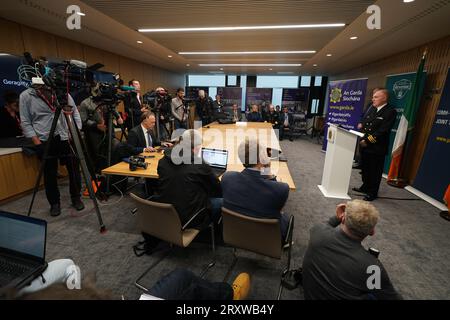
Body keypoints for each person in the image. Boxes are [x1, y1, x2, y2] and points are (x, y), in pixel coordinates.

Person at [302, 200, 402, 300]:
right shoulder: (372, 267)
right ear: (372, 232)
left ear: (343, 219)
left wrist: (339, 216)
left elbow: (328, 223)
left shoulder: (318, 231)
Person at [20, 84, 84, 217]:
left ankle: (76, 197)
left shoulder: (62, 92)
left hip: (66, 136)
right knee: (49, 174)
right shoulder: (26, 96)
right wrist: (37, 143)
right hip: (44, 139)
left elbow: (75, 113)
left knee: (74, 170)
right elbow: (25, 122)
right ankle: (54, 203)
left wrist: (75, 132)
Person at [221, 137, 291, 240]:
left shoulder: (227, 177)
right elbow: (278, 208)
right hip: (266, 238)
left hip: (237, 234)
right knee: (285, 217)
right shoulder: (282, 189)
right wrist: (267, 170)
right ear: (262, 158)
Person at [157, 129, 223, 229]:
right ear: (194, 148)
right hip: (190, 218)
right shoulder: (199, 164)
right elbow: (217, 190)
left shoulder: (163, 160)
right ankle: (217, 231)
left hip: (166, 212)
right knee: (224, 200)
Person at [353, 89, 397, 201]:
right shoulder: (372, 108)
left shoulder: (390, 111)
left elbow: (383, 131)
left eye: (376, 97)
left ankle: (372, 192)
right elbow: (364, 123)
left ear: (384, 98)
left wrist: (367, 141)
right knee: (366, 168)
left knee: (375, 171)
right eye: (373, 96)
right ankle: (365, 187)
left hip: (377, 147)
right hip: (365, 145)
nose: (373, 99)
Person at [79, 84, 124, 173]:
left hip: (109, 129)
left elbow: (112, 108)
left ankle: (112, 170)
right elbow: (83, 120)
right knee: (97, 154)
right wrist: (96, 126)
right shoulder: (85, 103)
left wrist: (118, 117)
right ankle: (99, 173)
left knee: (112, 149)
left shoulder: (106, 101)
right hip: (94, 133)